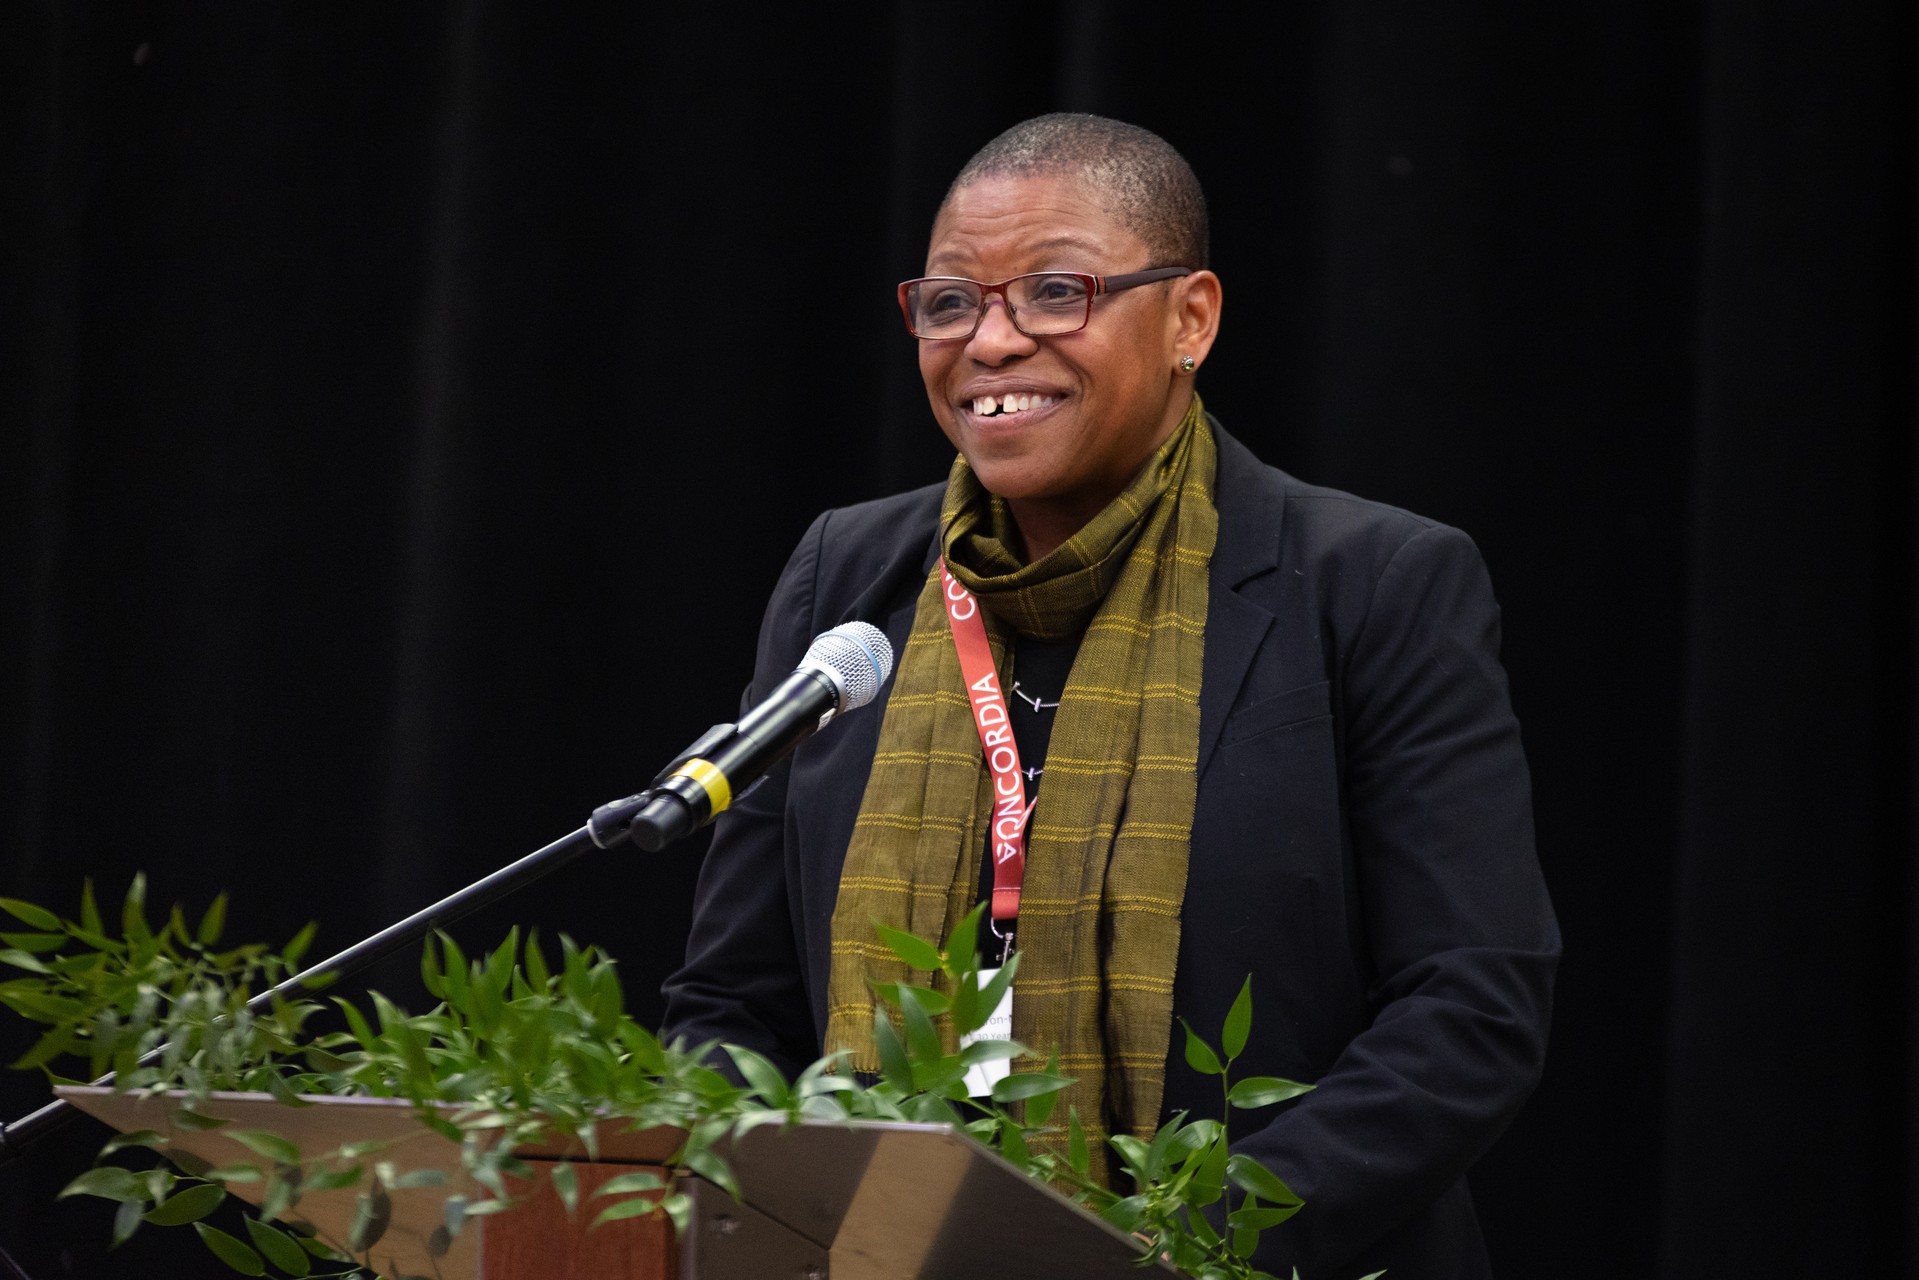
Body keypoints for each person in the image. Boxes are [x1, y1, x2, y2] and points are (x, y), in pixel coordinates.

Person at [661, 113, 1558, 1279]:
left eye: (1052, 291)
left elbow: (1469, 1009)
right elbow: (732, 996)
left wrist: (1168, 1249)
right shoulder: (851, 577)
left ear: (1190, 317)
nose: (988, 342)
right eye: (948, 302)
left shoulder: (1368, 584)